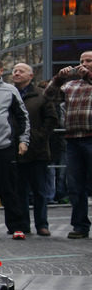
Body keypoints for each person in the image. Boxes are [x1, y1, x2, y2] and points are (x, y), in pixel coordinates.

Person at [0, 59, 30, 240]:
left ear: (1, 70)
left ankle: (17, 227)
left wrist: (24, 140)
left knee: (10, 188)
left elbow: (23, 117)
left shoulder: (10, 90)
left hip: (5, 146)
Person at [44, 50, 92, 239]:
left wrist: (87, 75)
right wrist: (58, 78)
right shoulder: (71, 85)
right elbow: (48, 96)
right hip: (73, 140)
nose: (84, 63)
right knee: (75, 185)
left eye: (89, 60)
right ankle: (80, 226)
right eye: (81, 60)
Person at [12, 62, 58, 236]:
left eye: (21, 71)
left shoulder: (41, 95)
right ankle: (23, 225)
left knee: (39, 190)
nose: (16, 73)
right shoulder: (11, 95)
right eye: (15, 70)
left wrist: (38, 136)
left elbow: (51, 119)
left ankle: (41, 224)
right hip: (16, 150)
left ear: (30, 76)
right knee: (20, 191)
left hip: (37, 151)